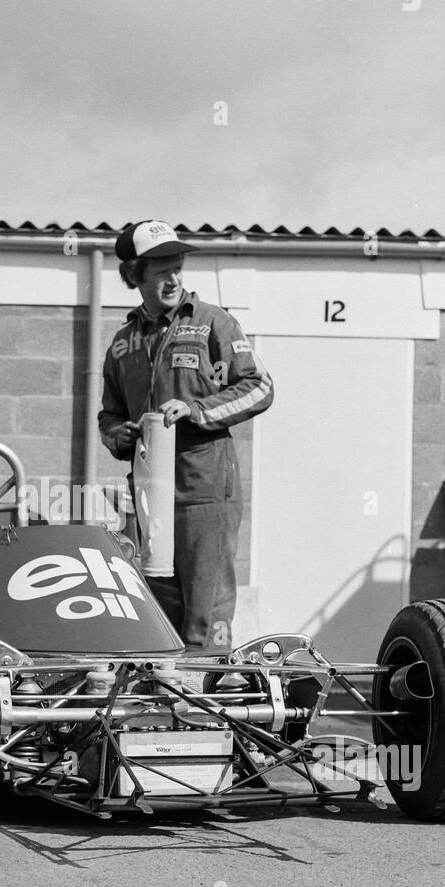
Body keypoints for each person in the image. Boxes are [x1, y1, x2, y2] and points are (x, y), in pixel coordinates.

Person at [98, 220, 273, 651]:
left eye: (177, 268)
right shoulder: (122, 344)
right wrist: (120, 435)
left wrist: (196, 411)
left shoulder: (215, 323)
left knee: (205, 611)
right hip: (148, 494)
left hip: (205, 488)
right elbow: (108, 416)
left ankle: (209, 706)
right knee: (154, 608)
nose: (174, 279)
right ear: (135, 275)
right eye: (161, 271)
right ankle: (157, 704)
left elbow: (260, 387)